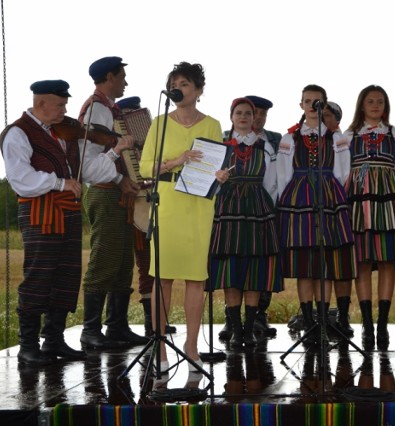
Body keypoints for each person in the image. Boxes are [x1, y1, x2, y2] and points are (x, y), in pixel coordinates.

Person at [0, 79, 131, 365]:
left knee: (66, 276)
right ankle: (28, 345)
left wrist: (114, 151)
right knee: (39, 277)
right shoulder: (18, 133)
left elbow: (89, 172)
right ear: (41, 103)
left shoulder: (67, 134)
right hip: (40, 213)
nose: (65, 110)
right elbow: (22, 180)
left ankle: (54, 340)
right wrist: (59, 182)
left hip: (69, 212)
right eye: (60, 105)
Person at [139, 61, 228, 369]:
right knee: (162, 276)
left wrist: (221, 175)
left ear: (199, 91)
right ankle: (160, 349)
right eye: (175, 83)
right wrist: (178, 159)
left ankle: (192, 346)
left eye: (185, 84)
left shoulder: (212, 124)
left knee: (195, 277)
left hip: (199, 204)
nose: (179, 88)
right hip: (167, 202)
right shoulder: (160, 122)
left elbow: (215, 160)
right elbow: (143, 167)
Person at [276, 84, 355, 345]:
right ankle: (309, 322)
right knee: (304, 266)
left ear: (325, 104)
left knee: (324, 264)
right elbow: (284, 174)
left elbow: (344, 173)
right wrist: (288, 200)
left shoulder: (336, 137)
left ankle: (322, 321)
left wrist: (334, 195)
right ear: (301, 105)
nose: (312, 105)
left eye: (317, 101)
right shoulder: (290, 139)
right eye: (308, 101)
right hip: (298, 198)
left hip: (328, 196)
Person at [78, 56, 147, 350]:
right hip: (103, 193)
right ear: (109, 77)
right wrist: (119, 157)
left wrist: (123, 181)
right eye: (121, 77)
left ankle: (116, 325)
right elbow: (89, 164)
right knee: (104, 259)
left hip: (115, 190)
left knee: (121, 262)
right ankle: (91, 330)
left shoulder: (108, 109)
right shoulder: (96, 109)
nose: (125, 83)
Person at [208, 97, 282, 349]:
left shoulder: (265, 147)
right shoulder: (220, 146)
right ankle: (236, 330)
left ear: (254, 119)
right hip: (228, 210)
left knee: (254, 271)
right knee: (231, 269)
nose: (243, 117)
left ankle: (249, 329)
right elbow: (210, 182)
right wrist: (217, 180)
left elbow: (272, 183)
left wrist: (266, 209)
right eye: (238, 113)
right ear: (231, 117)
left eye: (248, 114)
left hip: (257, 210)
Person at [343, 85, 395, 350]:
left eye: (380, 101)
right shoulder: (348, 135)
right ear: (361, 104)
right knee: (361, 260)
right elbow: (341, 169)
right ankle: (367, 323)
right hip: (358, 194)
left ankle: (382, 323)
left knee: (387, 260)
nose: (375, 105)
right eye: (370, 101)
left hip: (389, 195)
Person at [114, 96, 176, 337]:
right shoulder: (115, 141)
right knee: (129, 264)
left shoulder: (153, 138)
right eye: (129, 114)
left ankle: (154, 322)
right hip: (131, 204)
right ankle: (119, 324)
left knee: (150, 263)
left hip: (151, 201)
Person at [323, 101, 354, 337]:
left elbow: (346, 172)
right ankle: (321, 318)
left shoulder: (343, 139)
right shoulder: (305, 139)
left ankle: (343, 316)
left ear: (337, 119)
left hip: (342, 202)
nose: (323, 119)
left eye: (327, 115)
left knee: (342, 263)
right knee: (322, 263)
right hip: (317, 205)